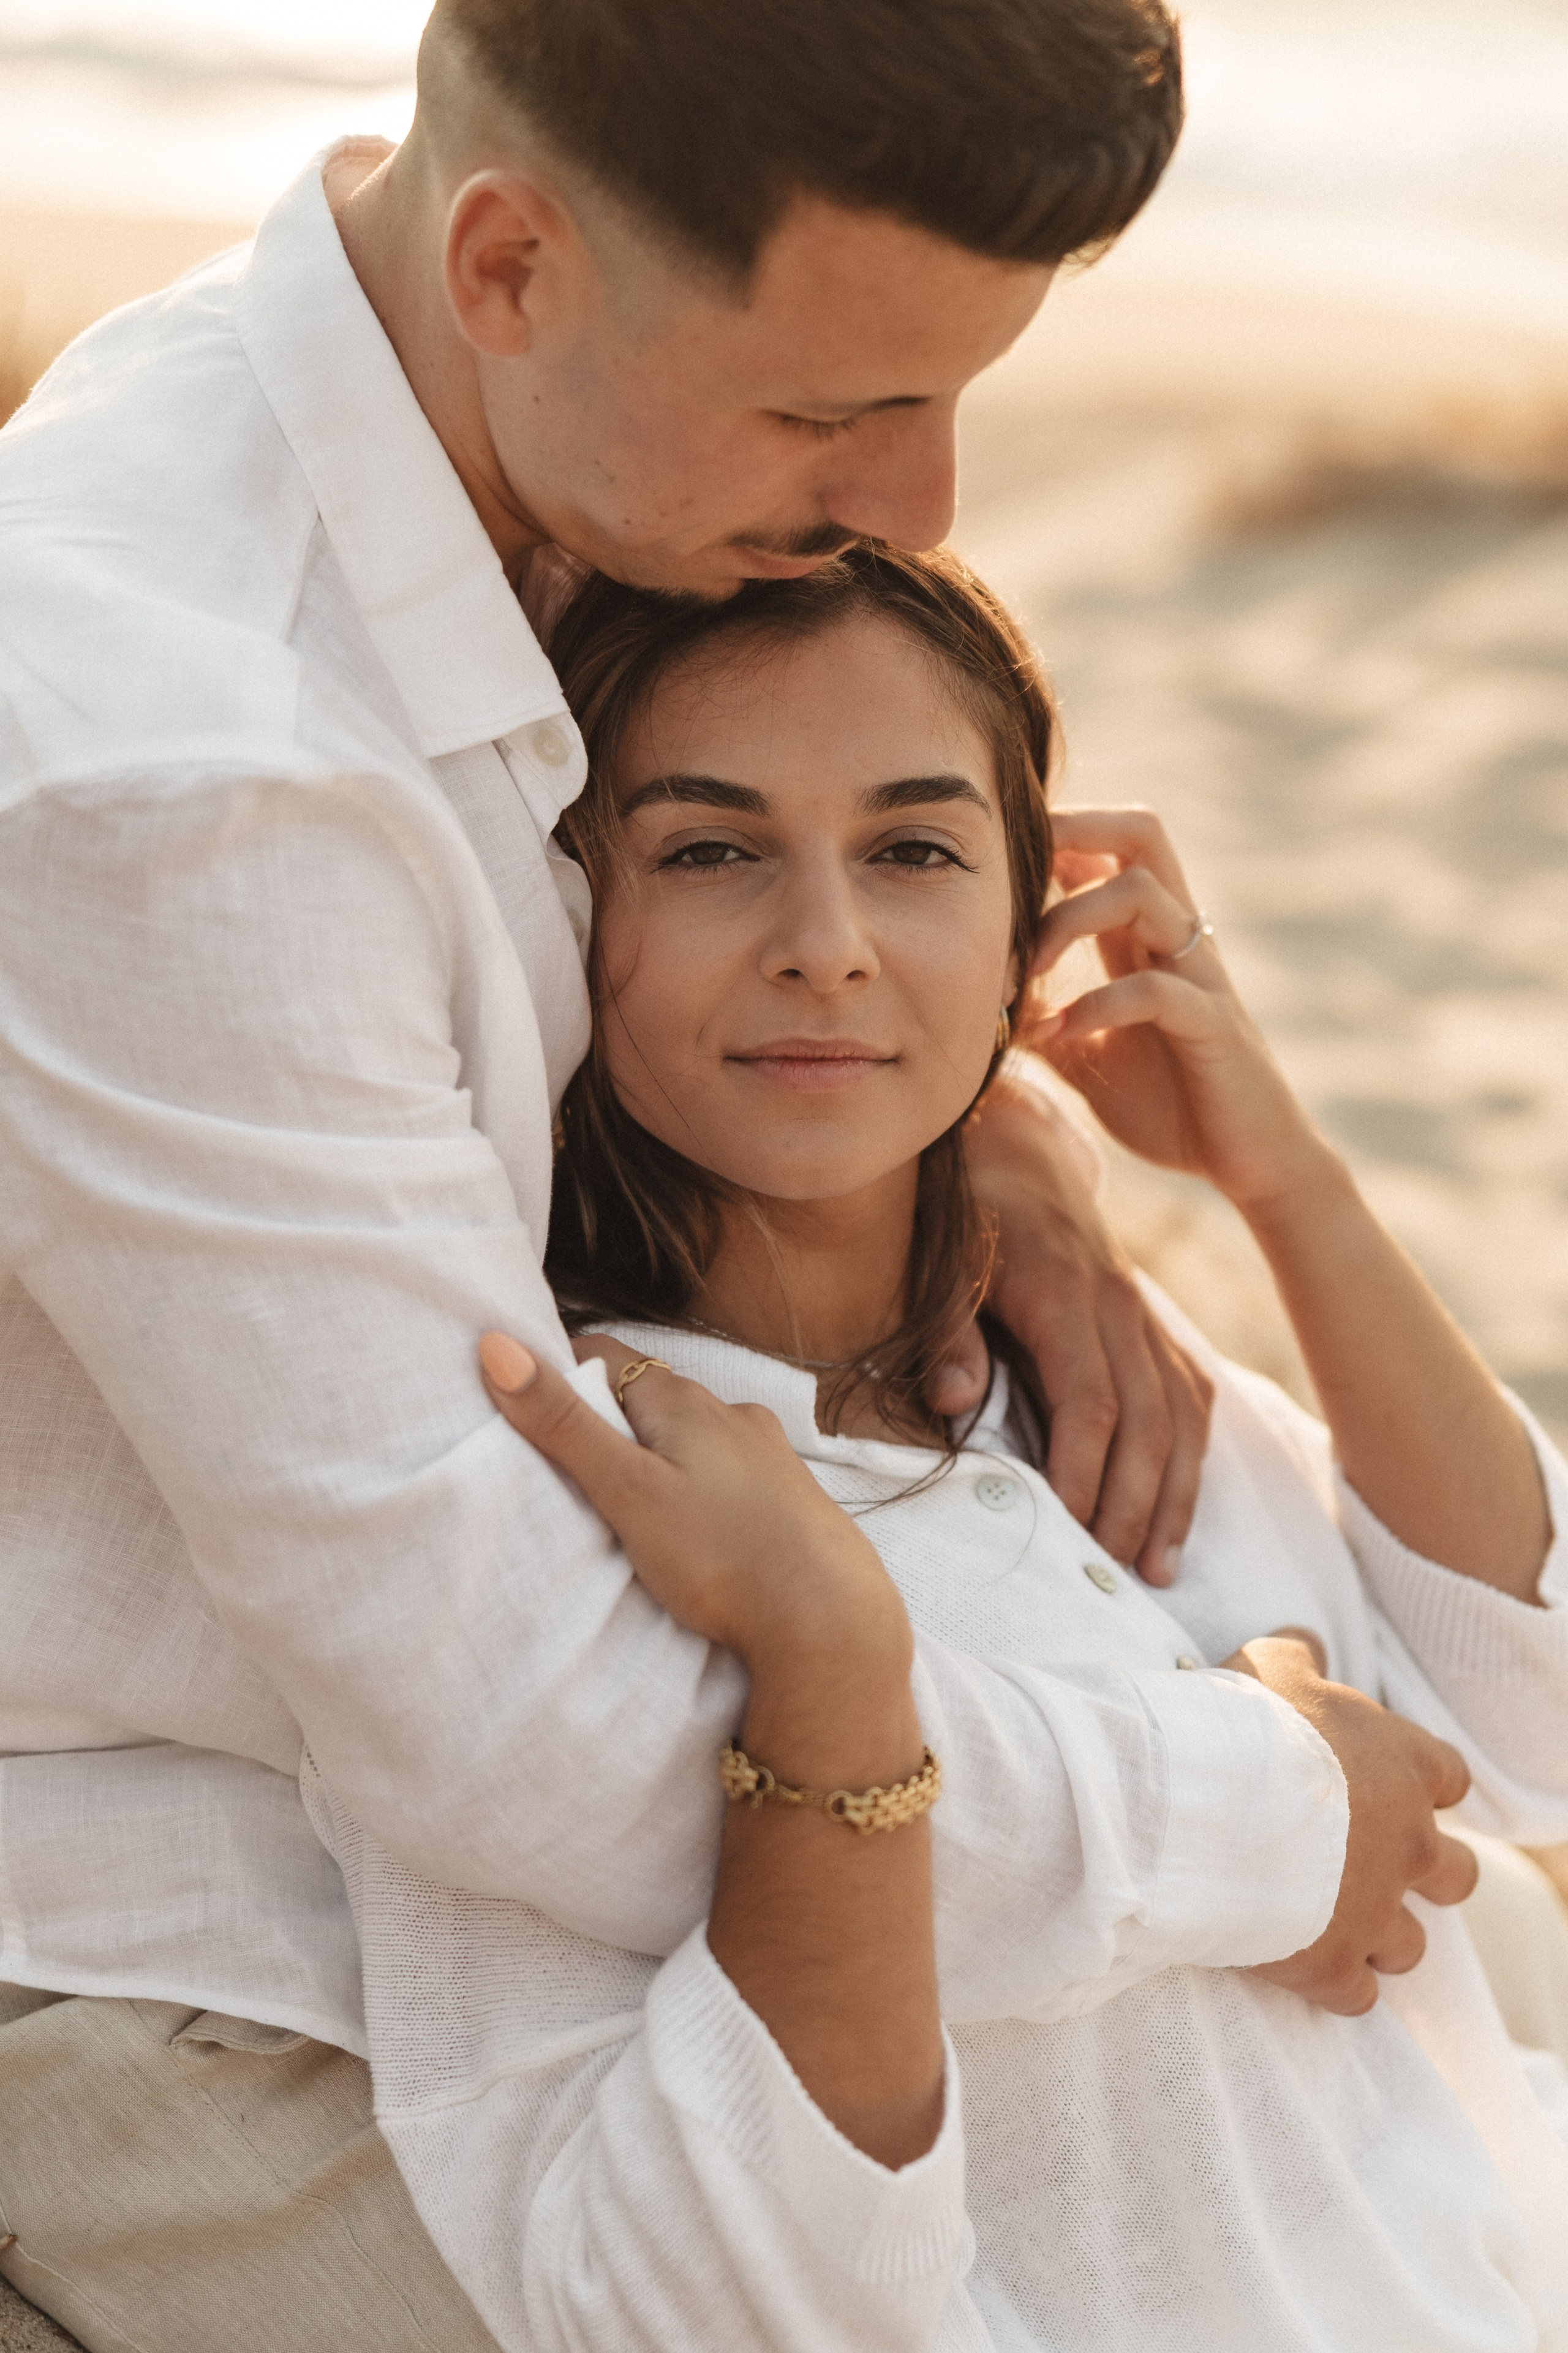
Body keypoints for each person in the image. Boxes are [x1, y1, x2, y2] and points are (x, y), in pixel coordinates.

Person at [0, 1, 1494, 2342]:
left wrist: (977, 1124)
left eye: (953, 389)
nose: (925, 500)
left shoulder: (505, 427)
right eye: (832, 409)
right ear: (509, 263)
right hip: (226, 1938)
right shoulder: (176, 758)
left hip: (632, 1800)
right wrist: (1267, 1810)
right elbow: (535, 1740)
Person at [314, 543, 1568, 2352]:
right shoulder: (578, 1486)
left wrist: (1282, 1179)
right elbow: (719, 2297)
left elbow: (1523, 1723)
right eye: (709, 849)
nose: (825, 942)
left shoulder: (1078, 1377)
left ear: (1025, 937)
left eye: (913, 849)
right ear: (561, 914)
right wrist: (840, 1667)